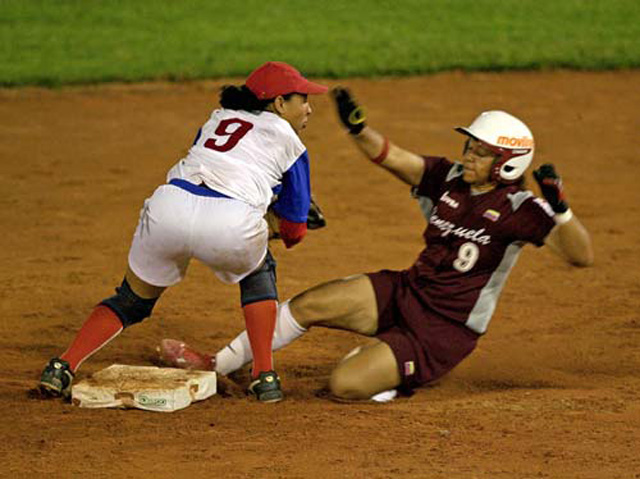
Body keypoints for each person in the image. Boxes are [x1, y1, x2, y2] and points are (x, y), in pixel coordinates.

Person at [158, 88, 594, 401]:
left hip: (442, 332)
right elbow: (392, 157)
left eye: (480, 152)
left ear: (507, 164)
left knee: (344, 385)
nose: (467, 156)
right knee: (311, 304)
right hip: (407, 291)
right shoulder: (449, 177)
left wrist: (562, 209)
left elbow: (581, 255)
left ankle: (391, 369)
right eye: (468, 145)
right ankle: (218, 365)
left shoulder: (523, 208)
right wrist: (358, 129)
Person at [38, 61, 329, 403]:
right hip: (230, 223)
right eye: (303, 99)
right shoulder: (291, 143)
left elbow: (208, 164)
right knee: (259, 270)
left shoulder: (217, 119)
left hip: (169, 208)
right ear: (280, 103)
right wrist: (274, 224)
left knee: (131, 300)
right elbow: (295, 233)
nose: (309, 107)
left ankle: (61, 366)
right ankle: (264, 377)